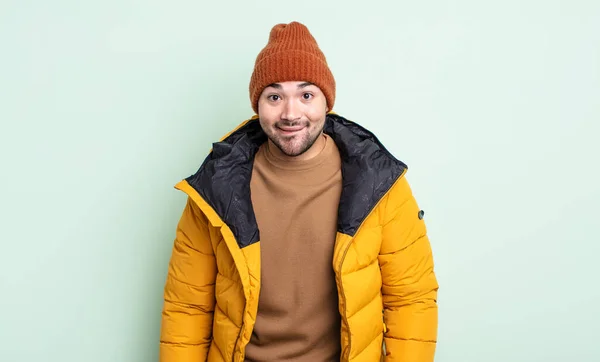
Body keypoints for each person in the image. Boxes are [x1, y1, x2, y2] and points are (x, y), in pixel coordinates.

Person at [159, 21, 439, 362]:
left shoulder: (379, 183)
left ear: (326, 102)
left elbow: (412, 299)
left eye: (306, 95)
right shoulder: (214, 189)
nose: (290, 114)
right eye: (274, 97)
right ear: (257, 104)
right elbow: (187, 307)